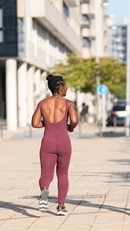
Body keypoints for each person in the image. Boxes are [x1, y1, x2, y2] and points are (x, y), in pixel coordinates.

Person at [31, 74, 78, 216]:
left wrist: (47, 124)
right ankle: (61, 207)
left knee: (46, 173)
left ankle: (44, 189)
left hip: (47, 142)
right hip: (63, 142)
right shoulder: (69, 103)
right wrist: (70, 127)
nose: (67, 89)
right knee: (62, 174)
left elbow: (34, 123)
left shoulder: (43, 103)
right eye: (66, 86)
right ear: (61, 87)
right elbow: (74, 121)